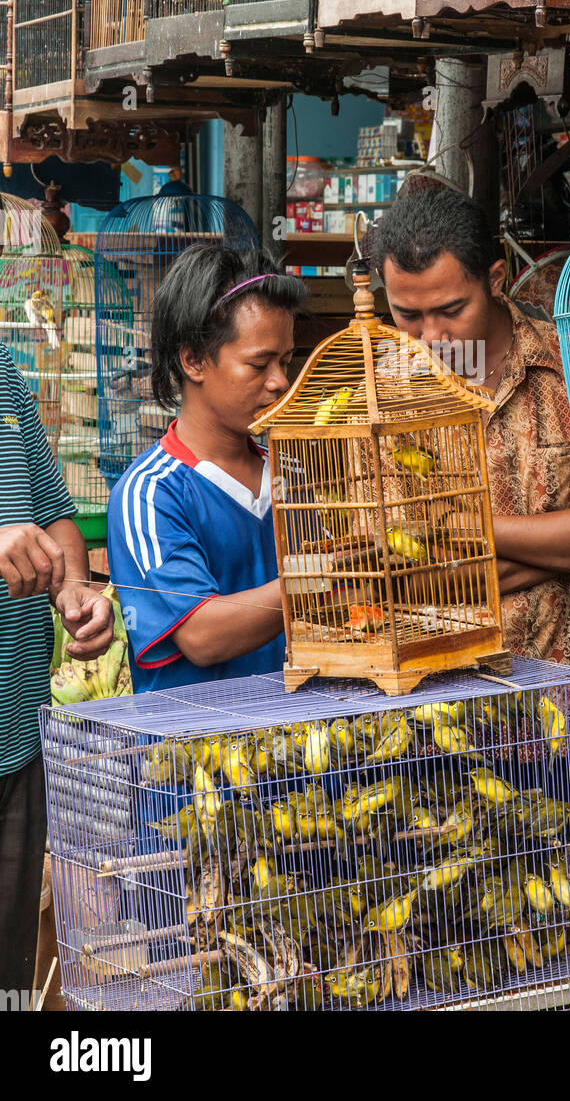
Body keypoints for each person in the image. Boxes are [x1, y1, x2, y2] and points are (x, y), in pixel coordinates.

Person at [371, 186, 570, 695]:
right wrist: (557, 548)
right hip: (432, 713)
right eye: (407, 315)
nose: (430, 336)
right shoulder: (382, 398)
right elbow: (387, 583)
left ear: (496, 280)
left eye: (451, 309)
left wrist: (465, 529)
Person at [107, 247, 305, 692]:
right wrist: (325, 579)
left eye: (286, 361)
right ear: (194, 359)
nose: (279, 382)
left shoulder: (294, 473)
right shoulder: (151, 492)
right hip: (194, 752)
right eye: (259, 363)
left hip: (301, 741)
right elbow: (201, 635)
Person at [0, 342, 115, 996]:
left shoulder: (5, 374)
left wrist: (74, 587)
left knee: (10, 967)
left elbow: (54, 515)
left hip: (17, 745)